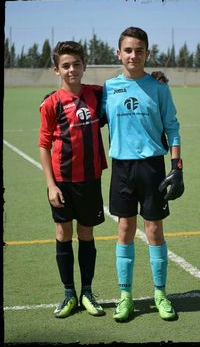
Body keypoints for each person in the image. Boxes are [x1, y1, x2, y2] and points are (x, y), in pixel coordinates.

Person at [101, 27, 184, 322]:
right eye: (128, 50)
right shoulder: (109, 88)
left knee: (154, 230)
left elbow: (172, 127)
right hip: (121, 169)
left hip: (151, 168)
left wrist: (177, 167)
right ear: (118, 53)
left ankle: (160, 294)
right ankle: (126, 297)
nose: (133, 55)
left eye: (139, 50)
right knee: (124, 229)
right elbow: (89, 110)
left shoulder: (159, 86)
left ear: (147, 54)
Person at [38, 41, 107, 318]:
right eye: (65, 66)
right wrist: (51, 185)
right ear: (56, 70)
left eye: (76, 64)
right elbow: (44, 144)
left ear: (84, 66)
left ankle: (87, 292)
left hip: (90, 179)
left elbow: (125, 84)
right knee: (63, 234)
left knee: (87, 234)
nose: (71, 70)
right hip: (62, 182)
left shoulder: (97, 94)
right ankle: (68, 294)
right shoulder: (51, 103)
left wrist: (157, 79)